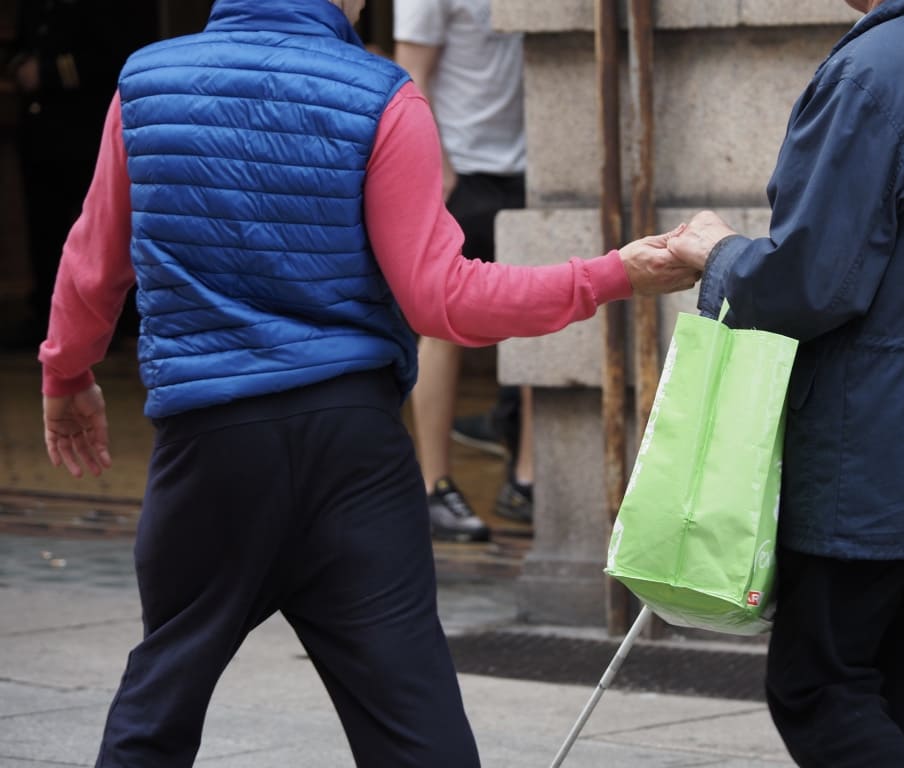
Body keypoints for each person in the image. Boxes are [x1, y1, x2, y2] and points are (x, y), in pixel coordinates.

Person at [37, 1, 700, 765]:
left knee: (157, 707)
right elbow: (444, 300)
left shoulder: (145, 86)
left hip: (211, 447)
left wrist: (66, 372)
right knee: (416, 733)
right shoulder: (381, 96)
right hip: (352, 449)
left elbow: (93, 263)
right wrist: (612, 274)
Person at [667, 0, 904, 765]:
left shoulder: (873, 74)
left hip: (878, 445)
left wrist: (719, 254)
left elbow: (811, 285)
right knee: (885, 679)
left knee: (821, 685)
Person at [393, 0, 534, 542]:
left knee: (536, 314)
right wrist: (436, 167)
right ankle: (434, 486)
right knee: (441, 324)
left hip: (531, 167)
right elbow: (412, 71)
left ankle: (527, 478)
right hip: (461, 172)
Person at [5, 0, 159, 348]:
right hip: (41, 133)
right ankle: (49, 320)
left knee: (107, 233)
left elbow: (115, 54)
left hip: (87, 130)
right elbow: (22, 45)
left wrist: (46, 73)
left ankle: (116, 322)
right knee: (45, 234)